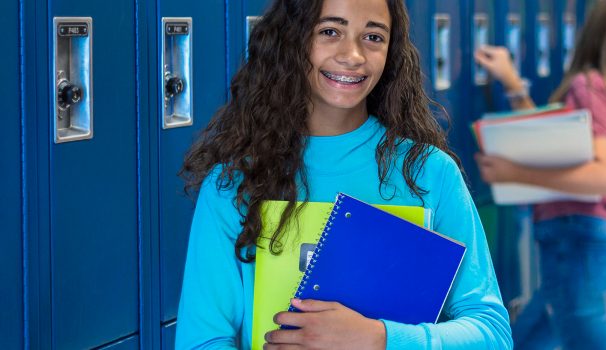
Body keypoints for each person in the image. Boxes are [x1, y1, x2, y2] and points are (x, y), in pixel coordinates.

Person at [174, 0, 513, 348]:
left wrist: (379, 338)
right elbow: (202, 340)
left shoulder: (428, 172)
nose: (353, 55)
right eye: (330, 31)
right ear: (292, 39)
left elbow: (492, 333)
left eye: (373, 36)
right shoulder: (232, 184)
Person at [473, 1, 606, 349]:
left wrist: (516, 172)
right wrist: (513, 83)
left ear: (594, 32)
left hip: (578, 253)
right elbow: (555, 144)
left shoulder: (588, 87)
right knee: (521, 342)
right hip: (591, 251)